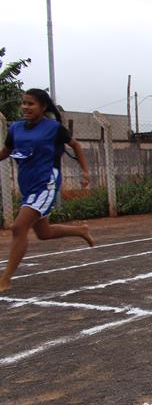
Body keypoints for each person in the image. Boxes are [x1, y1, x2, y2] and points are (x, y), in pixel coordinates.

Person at [0, 89, 94, 292]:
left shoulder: (54, 128)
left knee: (18, 228)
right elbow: (5, 152)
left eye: (31, 104)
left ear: (43, 107)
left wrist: (85, 171)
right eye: (24, 103)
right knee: (44, 233)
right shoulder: (15, 129)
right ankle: (81, 230)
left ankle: (5, 279)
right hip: (28, 187)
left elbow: (75, 145)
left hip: (46, 185)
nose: (26, 107)